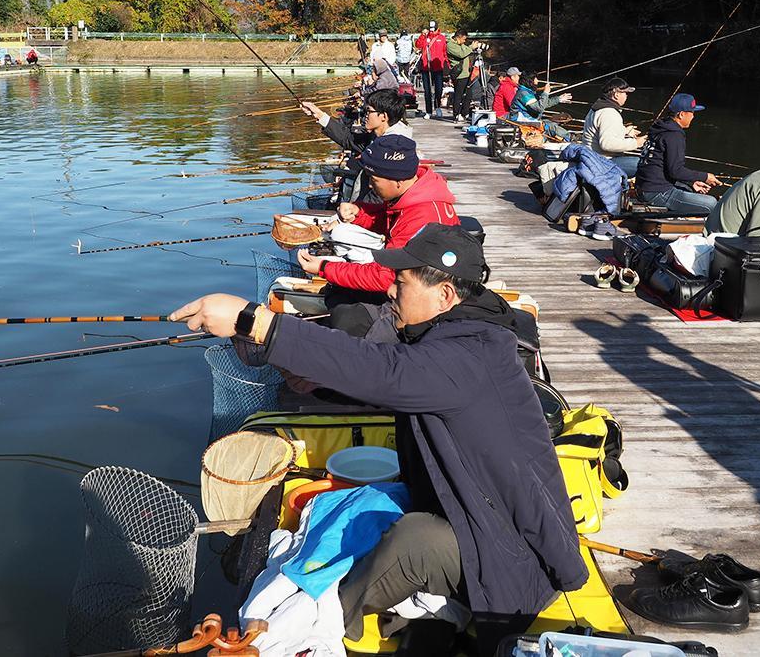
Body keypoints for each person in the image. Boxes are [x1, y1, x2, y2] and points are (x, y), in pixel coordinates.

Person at [173, 224, 587, 653]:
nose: (391, 291)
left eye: (402, 283)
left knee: (415, 540)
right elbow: (397, 379)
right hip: (478, 514)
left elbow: (387, 372)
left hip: (510, 558)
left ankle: (313, 627)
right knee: (377, 512)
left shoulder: (465, 356)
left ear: (445, 295)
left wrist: (256, 321)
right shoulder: (460, 339)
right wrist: (320, 386)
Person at [295, 135, 458, 301]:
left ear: (397, 181)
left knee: (344, 311)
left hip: (422, 296)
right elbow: (390, 221)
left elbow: (385, 278)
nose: (371, 185)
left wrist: (323, 267)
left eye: (374, 179)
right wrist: (358, 212)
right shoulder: (416, 193)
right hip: (406, 282)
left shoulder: (421, 216)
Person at [634, 92, 720, 215]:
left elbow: (667, 168)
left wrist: (691, 182)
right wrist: (705, 176)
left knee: (690, 189)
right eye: (692, 113)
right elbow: (676, 171)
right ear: (681, 114)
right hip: (657, 193)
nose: (693, 117)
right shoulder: (674, 135)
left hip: (643, 187)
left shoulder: (661, 128)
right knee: (711, 203)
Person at [300, 88, 413, 153]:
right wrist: (319, 114)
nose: (366, 116)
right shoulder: (377, 135)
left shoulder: (392, 147)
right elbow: (348, 139)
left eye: (369, 111)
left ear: (383, 116)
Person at [582, 77, 647, 177]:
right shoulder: (609, 113)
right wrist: (636, 143)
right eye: (625, 93)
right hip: (602, 162)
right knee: (646, 165)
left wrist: (625, 131)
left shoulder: (598, 108)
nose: (626, 96)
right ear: (616, 95)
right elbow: (607, 144)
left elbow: (602, 129)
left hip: (592, 158)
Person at [415, 21, 448, 118]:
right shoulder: (426, 37)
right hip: (426, 68)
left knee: (439, 89)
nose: (432, 30)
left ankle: (437, 108)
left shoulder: (441, 38)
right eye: (430, 28)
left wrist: (447, 66)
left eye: (433, 28)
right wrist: (422, 35)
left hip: (438, 68)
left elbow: (444, 52)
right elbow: (418, 45)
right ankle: (428, 111)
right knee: (427, 90)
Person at [446, 31, 474, 124]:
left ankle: (464, 113)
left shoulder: (461, 44)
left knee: (468, 95)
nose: (464, 41)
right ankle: (456, 114)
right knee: (458, 95)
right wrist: (471, 47)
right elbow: (461, 54)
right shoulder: (450, 45)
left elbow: (466, 50)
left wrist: (471, 47)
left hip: (466, 73)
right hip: (459, 75)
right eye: (463, 39)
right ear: (458, 37)